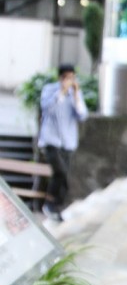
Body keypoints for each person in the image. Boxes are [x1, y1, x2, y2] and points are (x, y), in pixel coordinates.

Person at [37, 63, 88, 221]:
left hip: (68, 141)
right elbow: (47, 109)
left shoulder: (75, 94)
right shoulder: (50, 90)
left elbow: (82, 115)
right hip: (51, 140)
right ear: (60, 78)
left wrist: (76, 95)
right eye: (66, 77)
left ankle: (56, 207)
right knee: (60, 172)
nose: (69, 80)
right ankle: (50, 205)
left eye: (72, 77)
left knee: (63, 174)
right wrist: (62, 91)